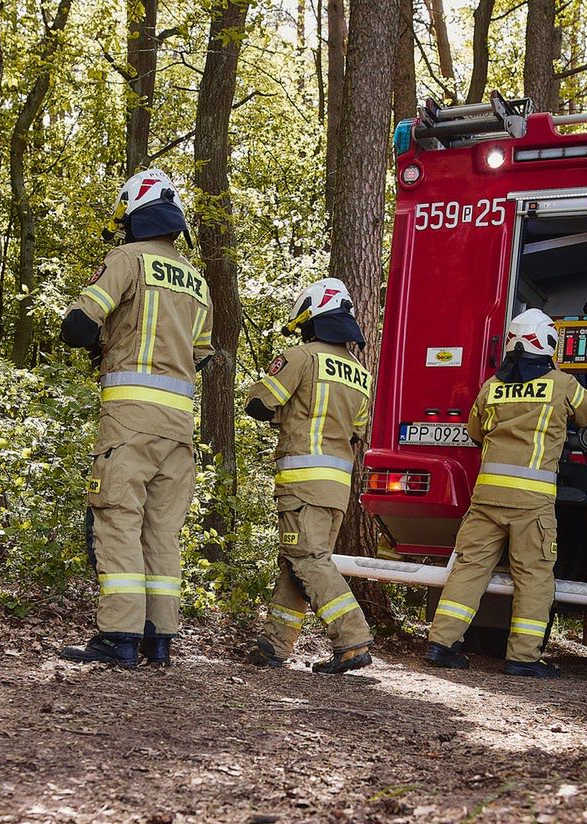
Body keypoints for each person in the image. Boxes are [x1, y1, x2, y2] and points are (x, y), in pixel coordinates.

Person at [57, 169, 213, 668]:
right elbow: (201, 356)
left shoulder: (127, 259)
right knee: (162, 531)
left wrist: (103, 342)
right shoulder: (198, 282)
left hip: (129, 422)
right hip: (179, 429)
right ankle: (158, 639)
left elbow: (78, 325)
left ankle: (118, 637)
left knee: (119, 520)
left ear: (133, 216)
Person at [423, 309, 587, 678]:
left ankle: (441, 644)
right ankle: (523, 657)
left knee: (470, 568)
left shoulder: (491, 386)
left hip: (486, 499)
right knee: (533, 575)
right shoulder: (562, 384)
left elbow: (475, 431)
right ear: (548, 344)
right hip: (531, 504)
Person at [242, 278, 376, 675]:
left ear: (312, 319)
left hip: (303, 482)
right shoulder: (361, 375)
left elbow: (259, 404)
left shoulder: (300, 357)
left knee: (308, 560)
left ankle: (352, 639)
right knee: (297, 561)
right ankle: (274, 644)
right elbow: (356, 431)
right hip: (337, 488)